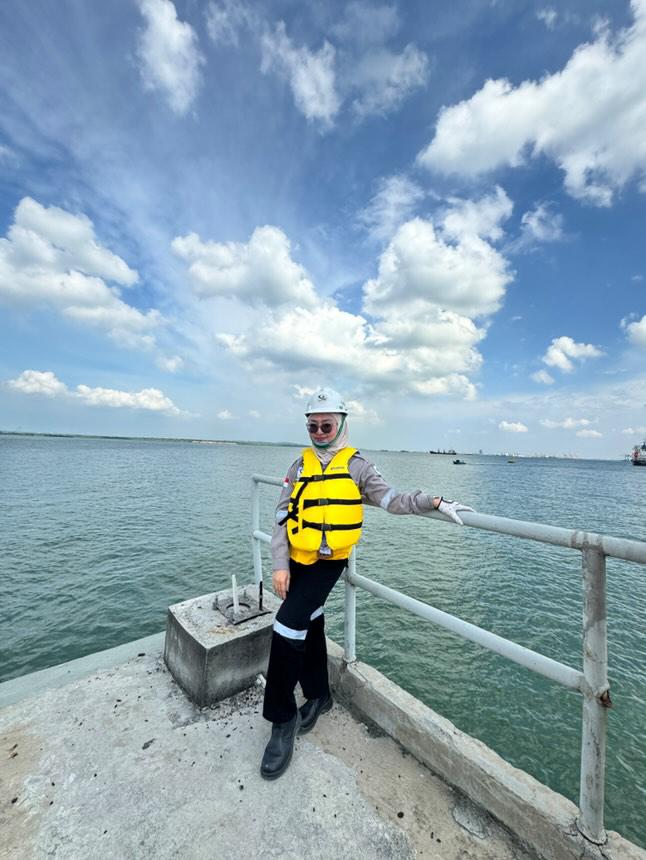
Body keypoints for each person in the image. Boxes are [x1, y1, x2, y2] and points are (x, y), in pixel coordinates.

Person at [260, 387, 473, 780]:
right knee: (311, 621)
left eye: (326, 425)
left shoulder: (358, 467)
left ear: (342, 424)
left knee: (286, 626)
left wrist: (434, 501)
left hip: (328, 562)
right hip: (297, 558)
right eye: (312, 426)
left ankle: (281, 719)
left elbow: (391, 500)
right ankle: (319, 695)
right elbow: (280, 515)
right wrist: (279, 564)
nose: (319, 432)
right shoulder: (299, 465)